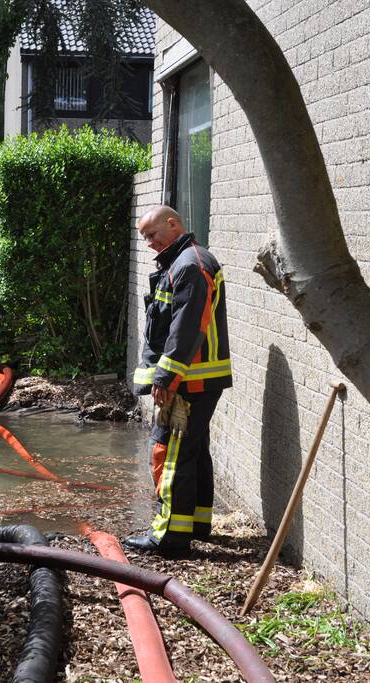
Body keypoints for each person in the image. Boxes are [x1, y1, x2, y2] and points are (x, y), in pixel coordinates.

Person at [124, 205, 232, 558]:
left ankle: (168, 536)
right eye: (144, 237)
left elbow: (186, 328)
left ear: (173, 224)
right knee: (193, 451)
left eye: (153, 234)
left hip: (188, 382)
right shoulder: (184, 262)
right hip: (196, 379)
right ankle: (196, 525)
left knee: (168, 453)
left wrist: (167, 376)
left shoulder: (191, 264)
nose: (150, 243)